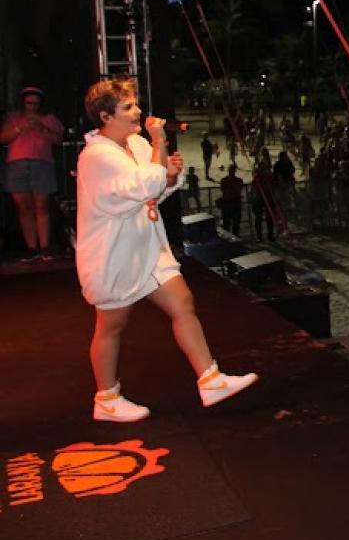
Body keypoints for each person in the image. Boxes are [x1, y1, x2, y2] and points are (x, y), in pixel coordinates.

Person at [76, 78, 257, 422]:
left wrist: (170, 177)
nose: (138, 112)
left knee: (182, 302)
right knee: (111, 326)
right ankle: (106, 397)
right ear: (104, 116)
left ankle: (210, 378)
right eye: (128, 107)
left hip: (147, 246)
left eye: (135, 104)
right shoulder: (97, 157)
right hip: (114, 255)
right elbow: (146, 183)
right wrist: (159, 144)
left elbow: (155, 190)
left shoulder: (135, 144)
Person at [2, 86, 65, 260]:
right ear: (23, 103)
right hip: (16, 165)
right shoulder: (14, 118)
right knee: (24, 208)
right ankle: (31, 247)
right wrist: (20, 128)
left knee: (41, 206)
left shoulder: (48, 119)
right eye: (29, 104)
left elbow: (59, 140)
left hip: (41, 163)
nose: (32, 107)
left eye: (36, 104)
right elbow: (3, 138)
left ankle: (44, 247)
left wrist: (42, 128)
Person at [218, 163, 245, 236]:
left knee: (235, 223)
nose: (231, 172)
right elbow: (224, 190)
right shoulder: (224, 180)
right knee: (227, 223)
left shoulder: (238, 180)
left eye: (232, 170)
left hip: (235, 202)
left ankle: (234, 237)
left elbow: (238, 190)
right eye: (230, 170)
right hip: (228, 202)